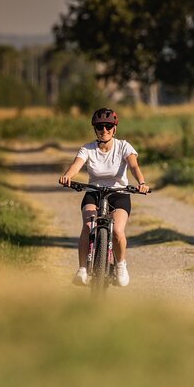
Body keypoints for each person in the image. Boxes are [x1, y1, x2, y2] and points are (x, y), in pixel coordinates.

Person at [59, 108, 149, 287]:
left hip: (119, 193)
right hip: (93, 192)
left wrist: (141, 182)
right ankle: (82, 269)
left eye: (108, 126)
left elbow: (133, 166)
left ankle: (121, 265)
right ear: (95, 129)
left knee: (117, 231)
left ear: (114, 128)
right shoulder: (87, 148)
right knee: (87, 225)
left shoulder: (123, 146)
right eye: (100, 127)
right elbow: (76, 165)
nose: (104, 130)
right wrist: (68, 176)